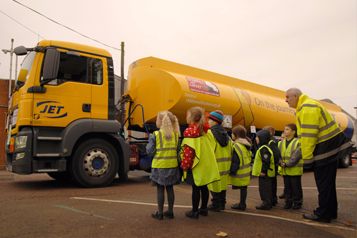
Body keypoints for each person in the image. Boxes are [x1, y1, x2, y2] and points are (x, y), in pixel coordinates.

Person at [285, 88, 350, 223]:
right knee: (328, 183)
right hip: (330, 148)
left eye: (288, 97)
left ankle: (323, 214)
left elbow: (309, 136)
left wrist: (307, 158)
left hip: (325, 150)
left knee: (323, 183)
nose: (286, 100)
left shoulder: (306, 108)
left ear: (296, 96)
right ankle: (330, 212)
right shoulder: (309, 105)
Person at [180, 106, 220, 219]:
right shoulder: (207, 131)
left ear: (191, 118)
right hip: (206, 163)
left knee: (196, 189)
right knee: (204, 187)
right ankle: (203, 209)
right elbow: (212, 146)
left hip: (195, 165)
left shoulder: (189, 132)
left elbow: (188, 152)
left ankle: (194, 211)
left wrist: (185, 166)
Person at [146, 111, 181, 220]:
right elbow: (178, 151)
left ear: (160, 122)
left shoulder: (155, 135)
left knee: (160, 188)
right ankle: (170, 211)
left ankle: (160, 213)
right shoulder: (176, 135)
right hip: (172, 165)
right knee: (170, 188)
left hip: (159, 166)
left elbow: (150, 151)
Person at [206, 110, 233, 212]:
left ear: (214, 121)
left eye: (210, 119)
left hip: (215, 164)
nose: (208, 121)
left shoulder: (210, 133)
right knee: (222, 185)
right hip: (225, 166)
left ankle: (215, 204)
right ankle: (222, 203)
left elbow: (209, 150)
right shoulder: (226, 134)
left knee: (214, 185)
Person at [278, 123, 303, 210]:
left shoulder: (298, 142)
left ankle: (297, 203)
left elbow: (296, 156)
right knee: (287, 188)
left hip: (295, 170)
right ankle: (288, 202)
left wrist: (286, 164)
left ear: (293, 132)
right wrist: (280, 162)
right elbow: (278, 155)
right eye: (285, 129)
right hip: (285, 170)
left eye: (287, 129)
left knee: (296, 188)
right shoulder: (281, 143)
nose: (285, 131)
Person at [229, 125, 252, 211]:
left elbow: (236, 161)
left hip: (240, 172)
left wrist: (232, 171)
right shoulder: (246, 145)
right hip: (246, 171)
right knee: (244, 188)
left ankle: (241, 205)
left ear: (235, 135)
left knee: (242, 188)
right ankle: (242, 203)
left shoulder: (237, 146)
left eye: (232, 134)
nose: (231, 135)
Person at [252, 129, 276, 210]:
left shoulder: (264, 149)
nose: (256, 139)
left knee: (264, 189)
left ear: (262, 138)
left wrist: (263, 171)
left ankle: (266, 203)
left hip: (265, 174)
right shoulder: (264, 147)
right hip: (267, 173)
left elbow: (266, 161)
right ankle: (269, 202)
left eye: (257, 137)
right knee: (267, 188)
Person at [263, 126, 281, 206]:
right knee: (273, 183)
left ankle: (271, 200)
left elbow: (275, 154)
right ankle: (273, 199)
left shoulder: (271, 142)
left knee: (270, 184)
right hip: (273, 166)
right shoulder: (273, 141)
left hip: (271, 167)